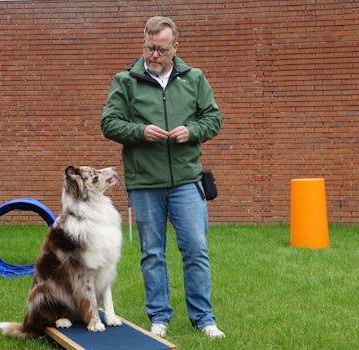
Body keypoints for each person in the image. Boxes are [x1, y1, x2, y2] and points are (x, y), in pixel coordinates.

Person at [101, 16, 225, 339]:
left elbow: (213, 119)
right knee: (152, 253)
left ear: (175, 48)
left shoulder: (194, 79)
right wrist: (140, 132)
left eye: (161, 49)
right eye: (149, 48)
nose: (153, 55)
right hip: (144, 183)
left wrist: (192, 130)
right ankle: (159, 317)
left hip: (186, 180)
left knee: (196, 249)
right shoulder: (125, 81)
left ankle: (204, 318)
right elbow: (109, 124)